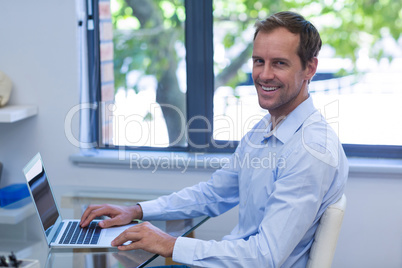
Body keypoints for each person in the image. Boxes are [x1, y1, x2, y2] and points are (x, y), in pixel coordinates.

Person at [80, 11, 348, 267]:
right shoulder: (266, 127)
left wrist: (170, 244)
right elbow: (214, 193)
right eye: (258, 61)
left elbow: (264, 257)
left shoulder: (311, 151)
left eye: (279, 63)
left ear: (309, 68)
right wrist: (137, 210)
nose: (264, 75)